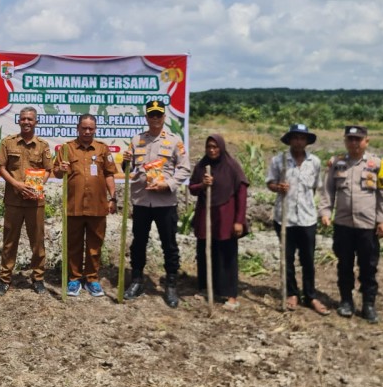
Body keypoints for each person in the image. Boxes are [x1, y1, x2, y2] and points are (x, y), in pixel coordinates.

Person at [319, 125, 383, 324]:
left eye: (358, 139)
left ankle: (368, 304)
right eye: (350, 139)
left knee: (368, 267)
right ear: (345, 141)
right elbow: (328, 190)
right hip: (343, 225)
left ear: (366, 141)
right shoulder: (337, 163)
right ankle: (346, 301)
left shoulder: (377, 164)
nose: (354, 143)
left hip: (368, 226)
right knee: (344, 265)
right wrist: (325, 212)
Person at [121, 100, 191, 308]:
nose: (155, 118)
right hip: (142, 201)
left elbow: (185, 169)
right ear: (146, 117)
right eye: (151, 115)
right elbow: (128, 169)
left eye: (158, 115)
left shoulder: (174, 141)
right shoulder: (136, 140)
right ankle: (136, 280)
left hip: (165, 202)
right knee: (138, 243)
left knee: (169, 245)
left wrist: (167, 184)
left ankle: (170, 285)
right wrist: (125, 162)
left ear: (164, 117)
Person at [265, 124, 329, 315]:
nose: (299, 141)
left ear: (307, 141)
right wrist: (278, 187)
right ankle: (291, 293)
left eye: (302, 138)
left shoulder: (315, 162)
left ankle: (310, 295)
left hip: (307, 218)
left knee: (308, 259)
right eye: (296, 138)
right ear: (290, 140)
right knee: (287, 258)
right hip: (284, 218)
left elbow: (316, 187)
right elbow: (269, 183)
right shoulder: (279, 160)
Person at [52, 114, 118, 297]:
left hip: (98, 205)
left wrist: (113, 197)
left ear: (95, 129)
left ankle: (92, 279)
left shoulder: (103, 149)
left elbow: (109, 174)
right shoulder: (66, 149)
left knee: (94, 244)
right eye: (84, 128)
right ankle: (74, 279)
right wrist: (61, 169)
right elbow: (56, 173)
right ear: (78, 128)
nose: (87, 131)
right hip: (73, 205)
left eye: (91, 128)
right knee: (73, 244)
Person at [0, 106, 53, 296]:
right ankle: (5, 279)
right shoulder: (8, 143)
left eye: (30, 119)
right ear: (18, 121)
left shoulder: (42, 145)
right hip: (13, 200)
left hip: (35, 202)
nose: (26, 122)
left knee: (37, 242)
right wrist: (16, 185)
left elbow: (48, 169)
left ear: (36, 122)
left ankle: (38, 278)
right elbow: (0, 167)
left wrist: (37, 186)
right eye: (23, 119)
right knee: (10, 241)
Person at [189, 134, 249, 310]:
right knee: (206, 251)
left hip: (225, 217)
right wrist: (202, 184)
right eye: (209, 147)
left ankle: (230, 294)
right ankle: (207, 287)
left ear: (221, 147)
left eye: (215, 147)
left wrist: (239, 221)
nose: (212, 150)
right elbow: (192, 188)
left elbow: (242, 194)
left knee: (227, 255)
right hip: (206, 216)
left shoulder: (231, 167)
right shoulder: (202, 165)